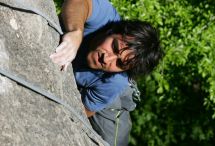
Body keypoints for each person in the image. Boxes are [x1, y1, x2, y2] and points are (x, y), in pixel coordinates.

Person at [50, 0, 163, 146]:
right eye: (114, 47)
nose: (107, 58)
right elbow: (79, 2)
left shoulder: (115, 81)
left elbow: (84, 110)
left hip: (110, 95)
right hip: (96, 77)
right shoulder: (106, 20)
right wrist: (76, 32)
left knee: (112, 140)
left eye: (120, 63)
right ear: (112, 31)